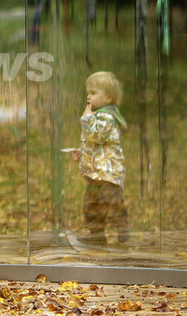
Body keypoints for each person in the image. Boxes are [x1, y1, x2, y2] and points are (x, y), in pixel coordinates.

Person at [70, 72, 129, 245]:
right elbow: (94, 143)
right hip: (96, 173)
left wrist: (86, 118)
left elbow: (96, 135)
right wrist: (82, 152)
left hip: (109, 172)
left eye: (93, 93)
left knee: (110, 200)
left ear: (108, 97)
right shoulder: (97, 116)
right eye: (88, 93)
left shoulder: (108, 117)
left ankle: (121, 224)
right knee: (91, 203)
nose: (88, 96)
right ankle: (96, 234)